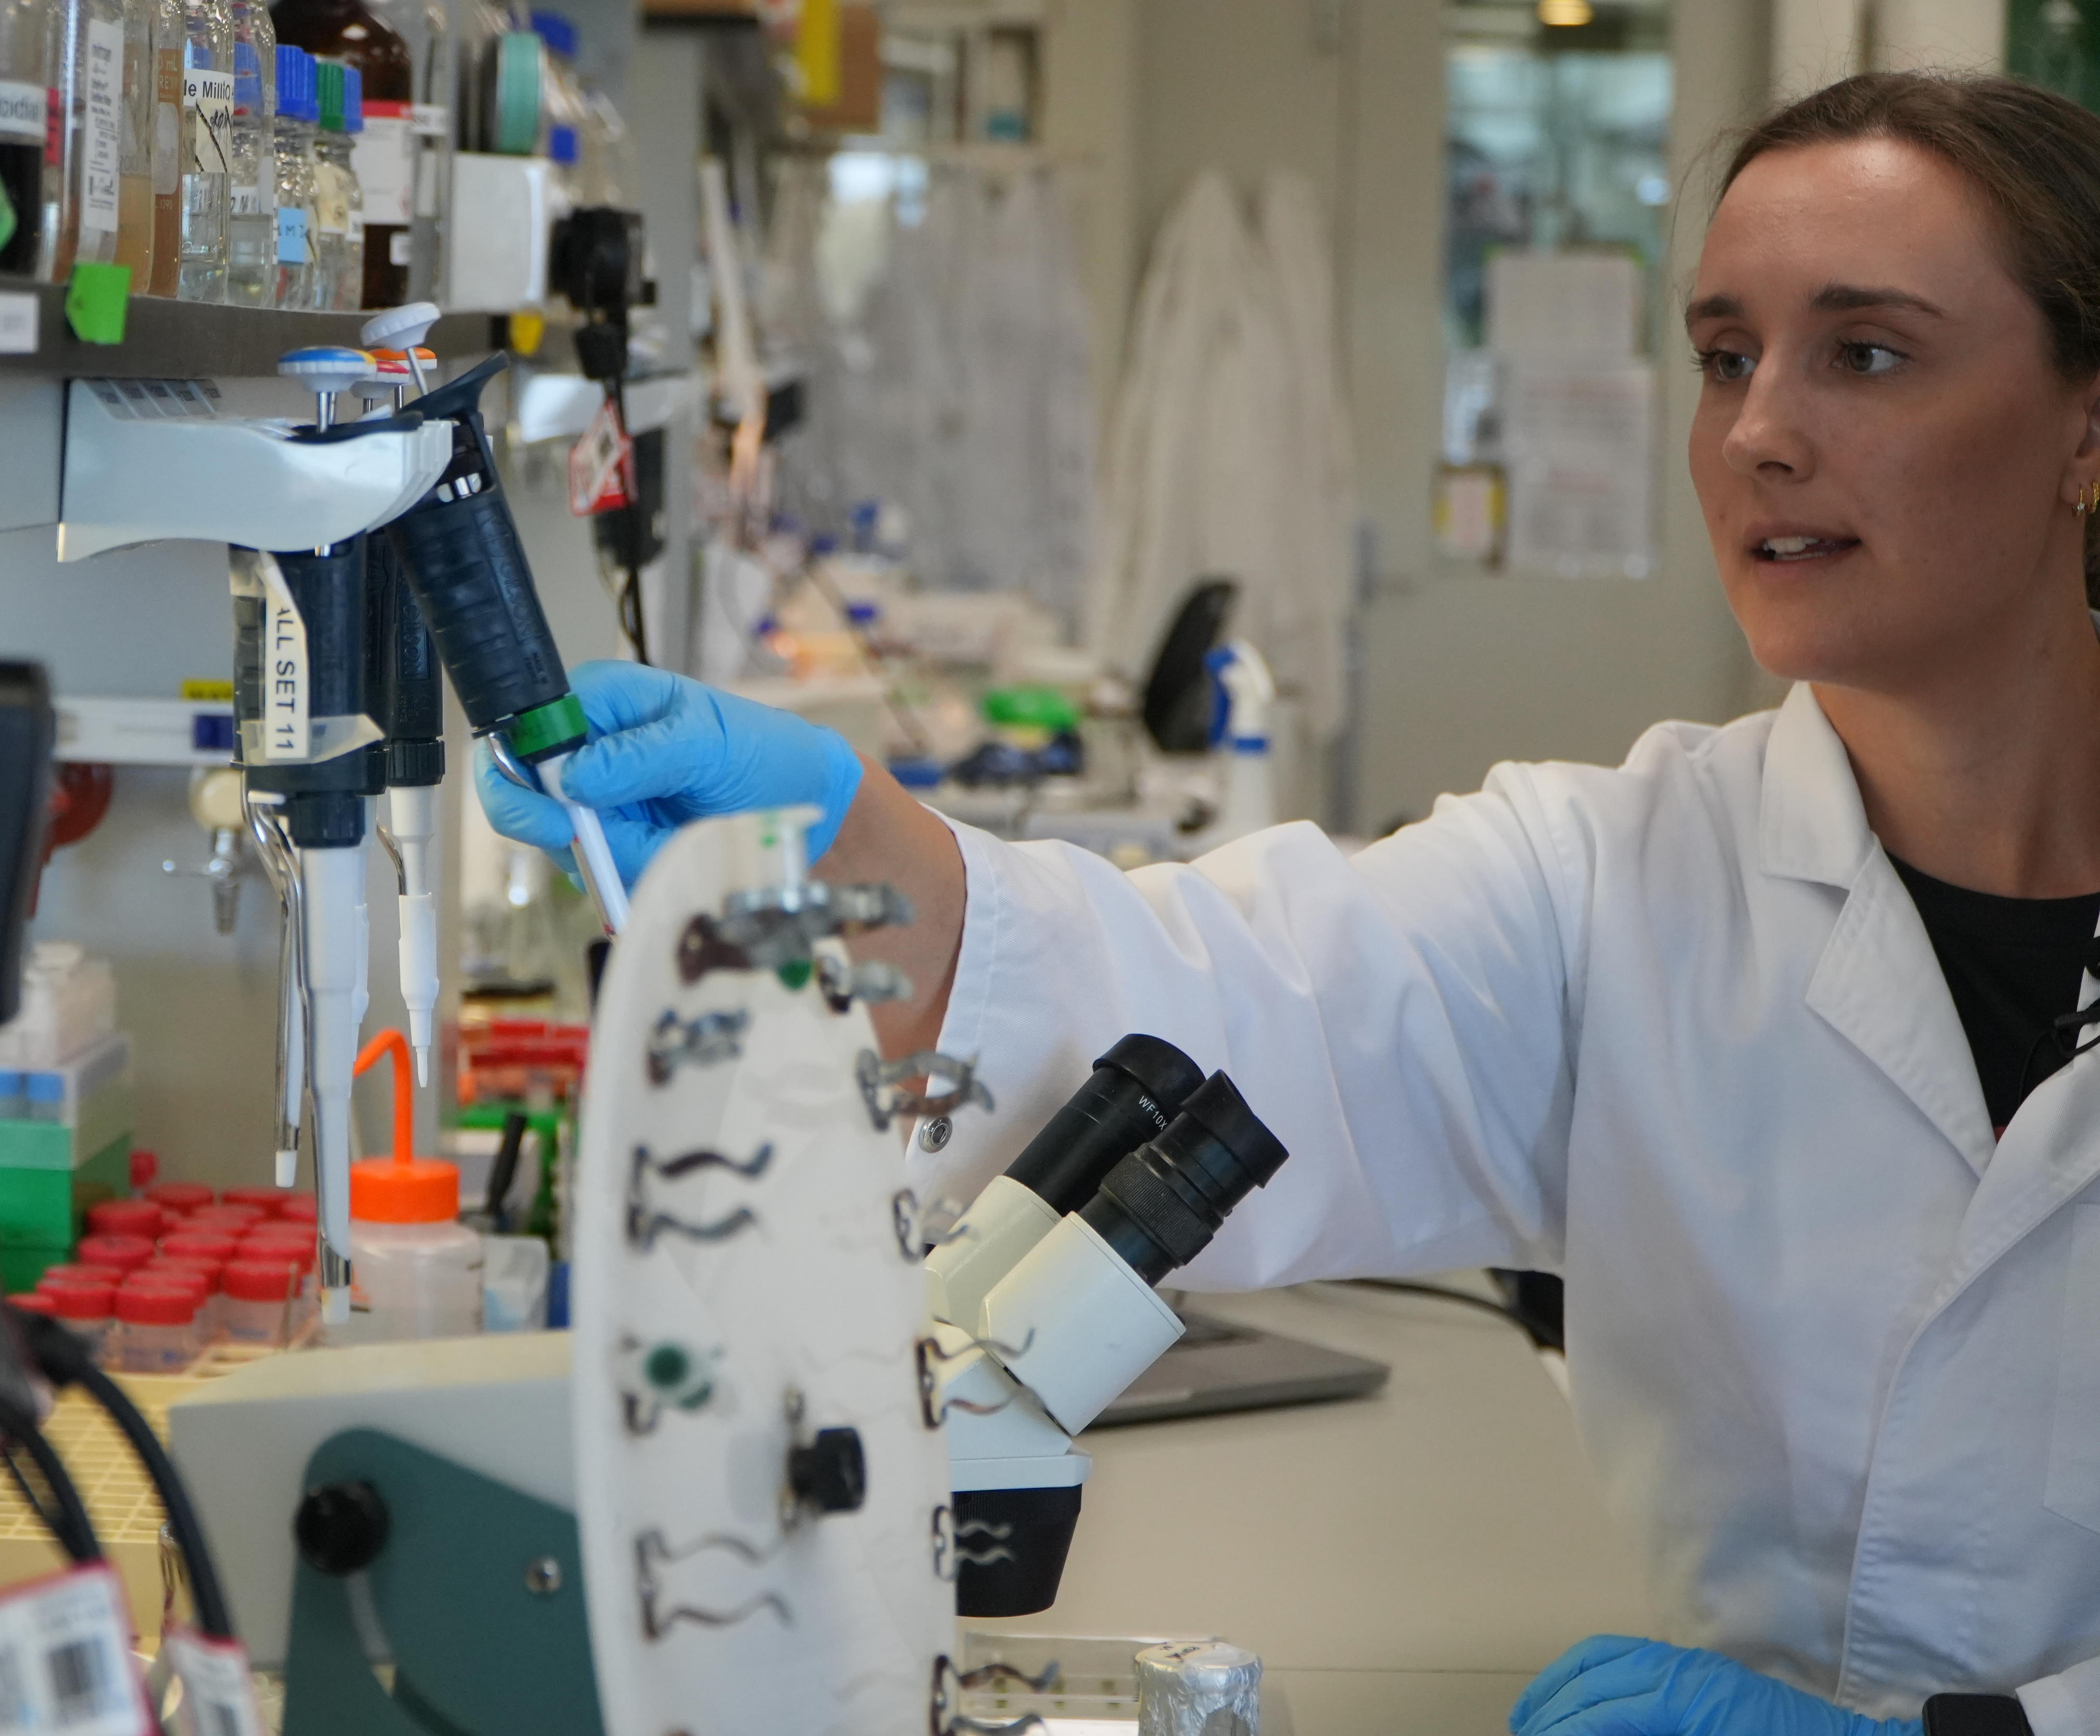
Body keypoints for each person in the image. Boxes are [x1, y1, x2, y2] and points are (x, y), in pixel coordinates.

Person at [484, 72, 2100, 1736]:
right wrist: (852, 854)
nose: (1761, 428)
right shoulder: (1617, 883)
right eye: (1723, 356)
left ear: (2085, 425)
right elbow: (1232, 1008)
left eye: (1868, 352)